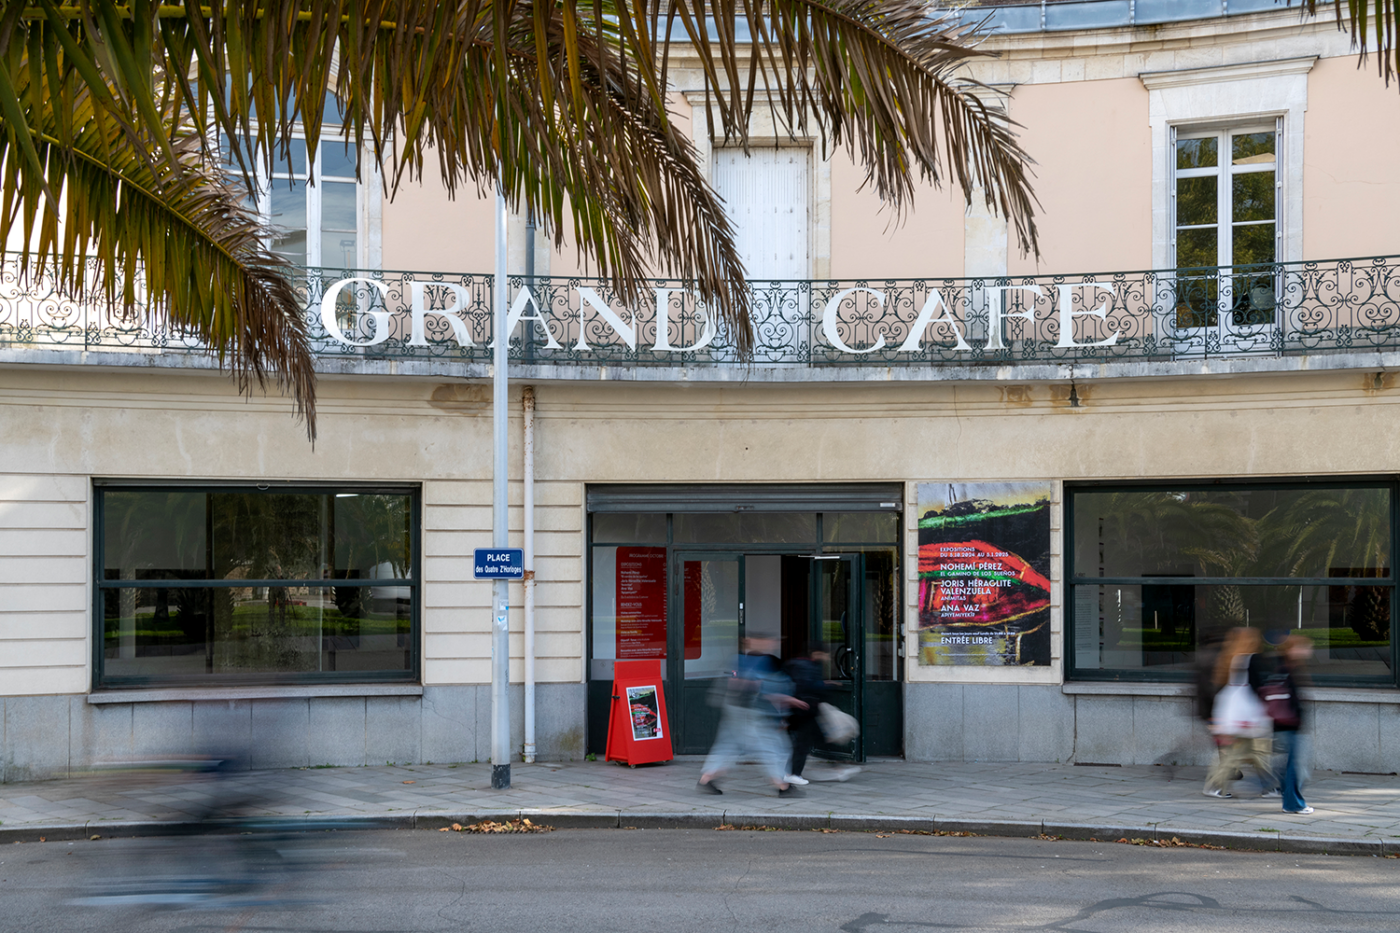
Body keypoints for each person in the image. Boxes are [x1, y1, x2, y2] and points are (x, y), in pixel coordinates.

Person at [697, 635, 806, 797]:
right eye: (770, 641)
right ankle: (782, 785)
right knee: (771, 745)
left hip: (735, 710)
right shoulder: (760, 662)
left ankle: (706, 779)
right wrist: (787, 699)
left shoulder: (742, 659)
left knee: (728, 745)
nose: (773, 644)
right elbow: (762, 689)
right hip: (749, 713)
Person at [1203, 626, 1277, 799]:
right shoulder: (1251, 660)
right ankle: (1215, 785)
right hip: (1248, 716)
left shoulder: (1230, 658)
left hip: (1235, 715)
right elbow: (1257, 687)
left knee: (1249, 754)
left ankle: (1269, 787)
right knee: (1252, 753)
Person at [1268, 634, 1314, 814]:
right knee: (1295, 768)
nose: (1307, 650)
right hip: (1289, 725)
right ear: (1291, 650)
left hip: (1286, 725)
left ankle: (1287, 796)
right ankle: (1293, 804)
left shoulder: (1287, 668)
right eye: (1302, 647)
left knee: (1291, 767)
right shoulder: (1286, 669)